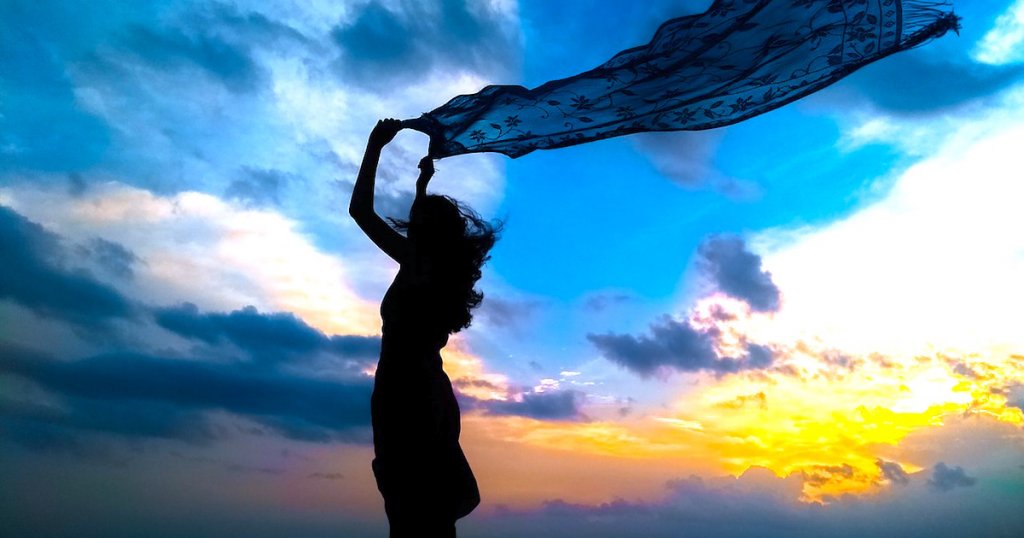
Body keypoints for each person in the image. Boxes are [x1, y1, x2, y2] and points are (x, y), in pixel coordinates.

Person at [349, 118, 498, 537]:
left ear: (426, 235)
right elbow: (421, 229)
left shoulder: (416, 265)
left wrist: (375, 146)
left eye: (420, 222)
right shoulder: (443, 272)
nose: (413, 225)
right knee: (428, 508)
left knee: (411, 507)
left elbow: (360, 211)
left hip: (406, 393)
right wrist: (421, 185)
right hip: (426, 389)